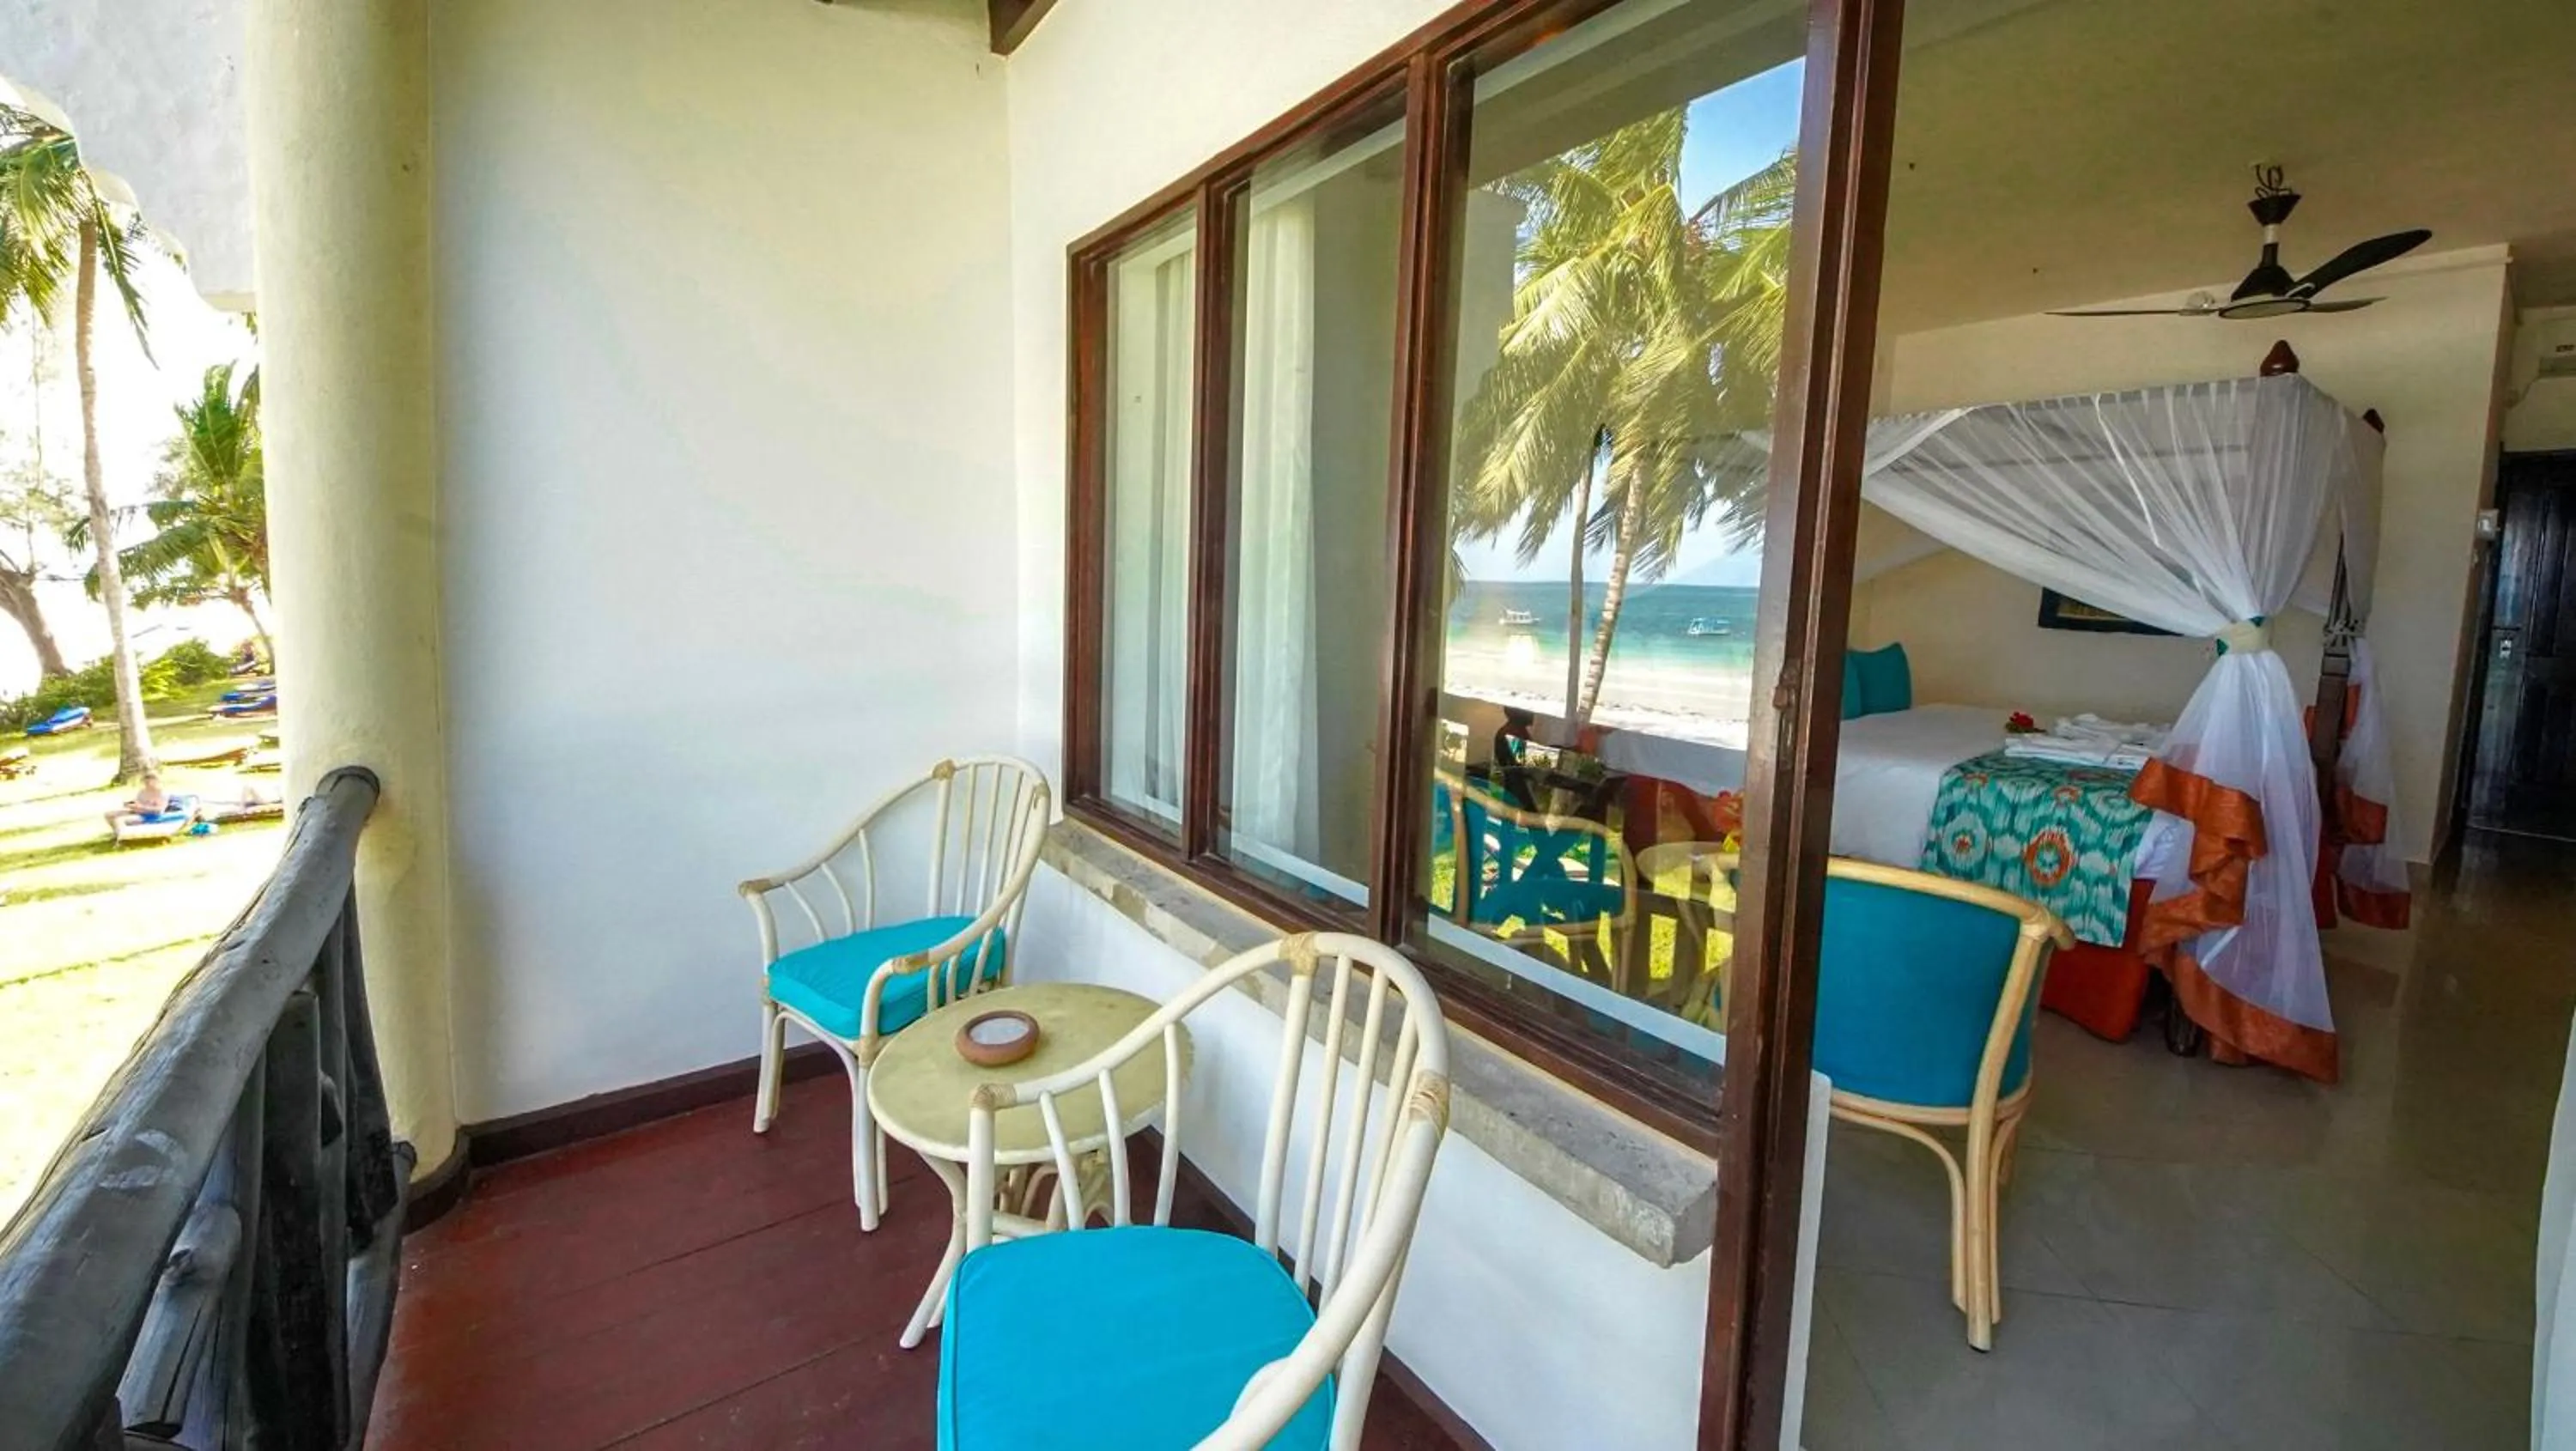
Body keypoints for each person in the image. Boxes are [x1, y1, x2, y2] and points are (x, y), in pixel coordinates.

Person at [106, 771, 172, 831]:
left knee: (119, 820)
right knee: (109, 815)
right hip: (138, 812)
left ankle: (122, 838)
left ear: (156, 781)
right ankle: (117, 833)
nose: (147, 784)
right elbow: (137, 803)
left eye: (149, 782)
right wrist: (130, 805)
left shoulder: (161, 793)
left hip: (151, 816)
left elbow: (159, 810)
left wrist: (141, 807)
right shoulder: (142, 791)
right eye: (145, 782)